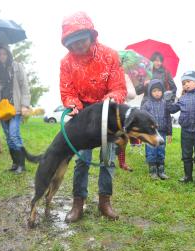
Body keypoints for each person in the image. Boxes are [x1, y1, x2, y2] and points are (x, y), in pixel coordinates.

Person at [59, 11, 127, 223]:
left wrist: (109, 101)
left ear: (91, 35)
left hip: (107, 109)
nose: (78, 46)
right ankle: (78, 203)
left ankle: (104, 202)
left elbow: (118, 87)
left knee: (107, 157)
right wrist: (73, 106)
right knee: (82, 159)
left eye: (81, 40)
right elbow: (67, 91)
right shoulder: (66, 62)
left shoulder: (110, 55)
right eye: (73, 43)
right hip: (83, 113)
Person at [0, 45, 31, 173]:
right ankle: (15, 163)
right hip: (2, 109)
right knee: (8, 137)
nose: (2, 56)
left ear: (8, 54)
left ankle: (22, 164)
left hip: (16, 107)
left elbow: (25, 86)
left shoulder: (17, 67)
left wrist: (25, 105)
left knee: (14, 135)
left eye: (4, 54)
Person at [141, 79, 172, 180]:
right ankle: (153, 171)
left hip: (162, 133)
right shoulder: (146, 104)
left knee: (161, 151)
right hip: (151, 134)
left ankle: (161, 171)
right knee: (151, 151)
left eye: (159, 91)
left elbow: (168, 118)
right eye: (154, 91)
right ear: (150, 92)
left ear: (162, 91)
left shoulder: (165, 104)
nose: (157, 93)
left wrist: (169, 133)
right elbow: (142, 119)